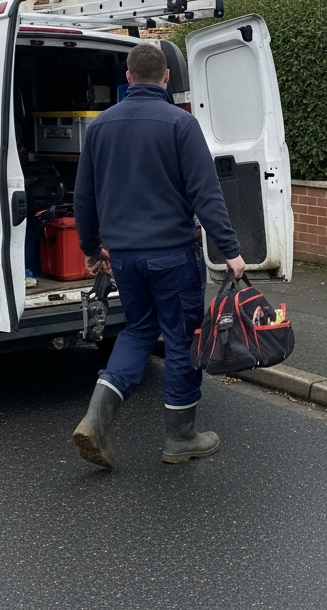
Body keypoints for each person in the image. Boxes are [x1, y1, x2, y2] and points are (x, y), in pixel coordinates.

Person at [71, 41, 246, 470]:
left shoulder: (99, 128)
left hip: (126, 260)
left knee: (137, 331)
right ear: (166, 77)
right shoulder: (180, 125)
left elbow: (84, 199)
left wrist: (92, 250)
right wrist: (231, 252)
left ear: (128, 78)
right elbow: (207, 195)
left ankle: (96, 418)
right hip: (172, 256)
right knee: (183, 337)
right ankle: (181, 438)